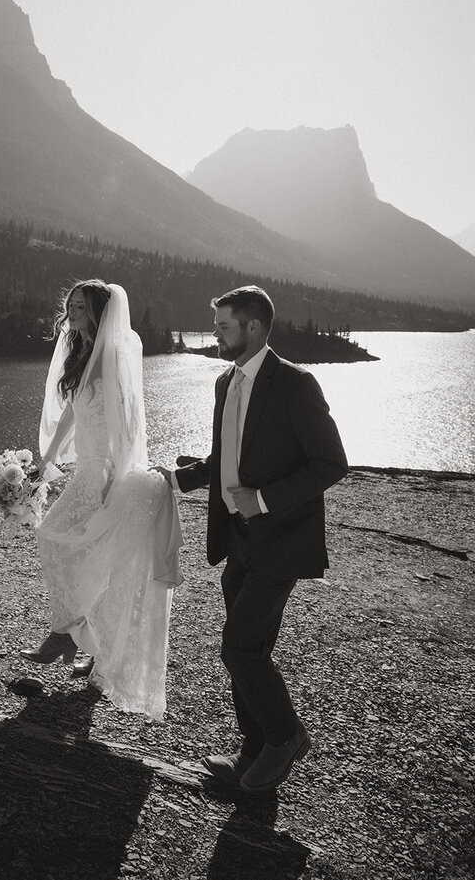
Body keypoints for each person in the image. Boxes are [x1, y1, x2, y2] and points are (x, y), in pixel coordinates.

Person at [154, 285, 348, 791]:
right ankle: (253, 753)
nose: (215, 334)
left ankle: (286, 737)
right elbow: (227, 458)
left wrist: (262, 499)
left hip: (281, 542)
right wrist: (177, 480)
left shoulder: (294, 384)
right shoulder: (226, 382)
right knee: (251, 648)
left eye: (223, 326)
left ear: (254, 328)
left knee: (239, 649)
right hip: (237, 540)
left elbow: (331, 463)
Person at [20, 279, 183, 721]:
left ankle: (68, 634)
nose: (72, 310)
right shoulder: (79, 351)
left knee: (70, 543)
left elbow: (128, 420)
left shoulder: (115, 354)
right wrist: (48, 458)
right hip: (86, 467)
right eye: (70, 303)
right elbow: (74, 409)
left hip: (107, 471)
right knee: (61, 540)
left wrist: (117, 476)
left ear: (100, 311)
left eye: (81, 305)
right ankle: (79, 635)